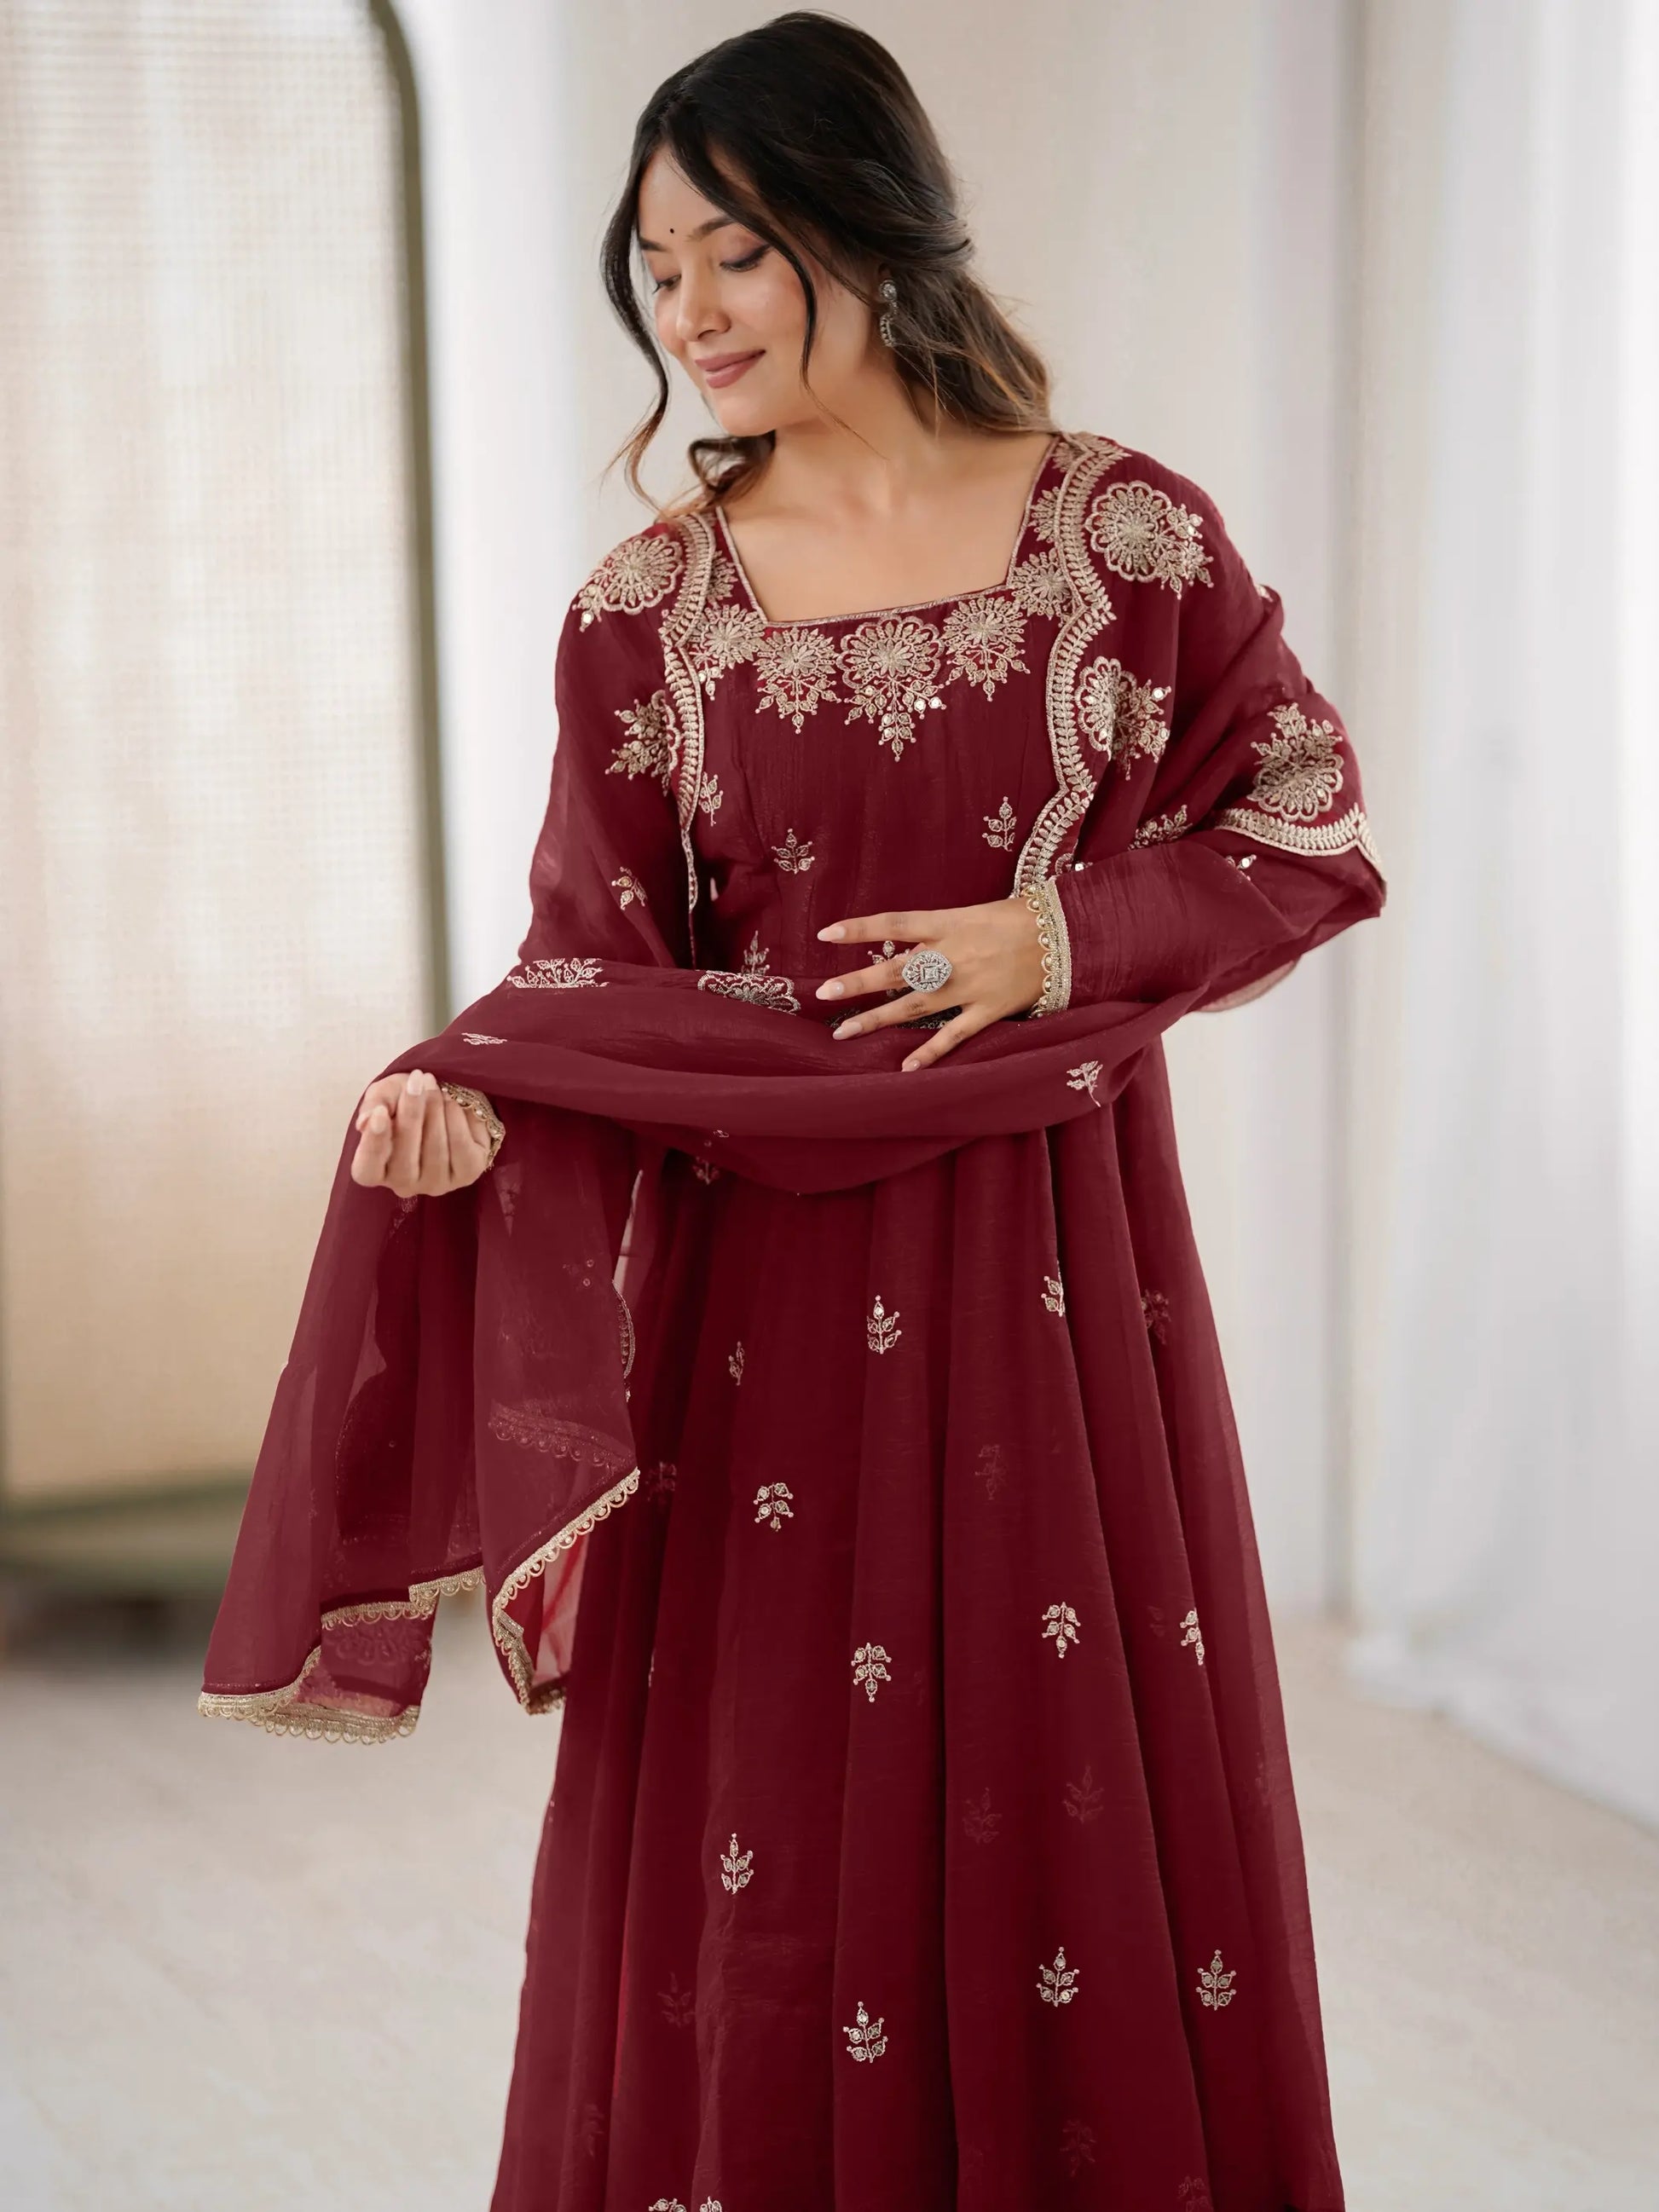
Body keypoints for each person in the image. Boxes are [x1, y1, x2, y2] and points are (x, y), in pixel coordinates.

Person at [201, 14, 1384, 2209]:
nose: (694, 314)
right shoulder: (647, 616)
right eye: (657, 270)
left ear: (869, 223)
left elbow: (1306, 825)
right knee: (770, 1836)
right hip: (759, 1332)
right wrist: (464, 1096)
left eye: (735, 252)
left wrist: (1072, 934)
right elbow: (594, 975)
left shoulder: (1120, 537)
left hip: (1057, 1295)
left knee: (1056, 1784)